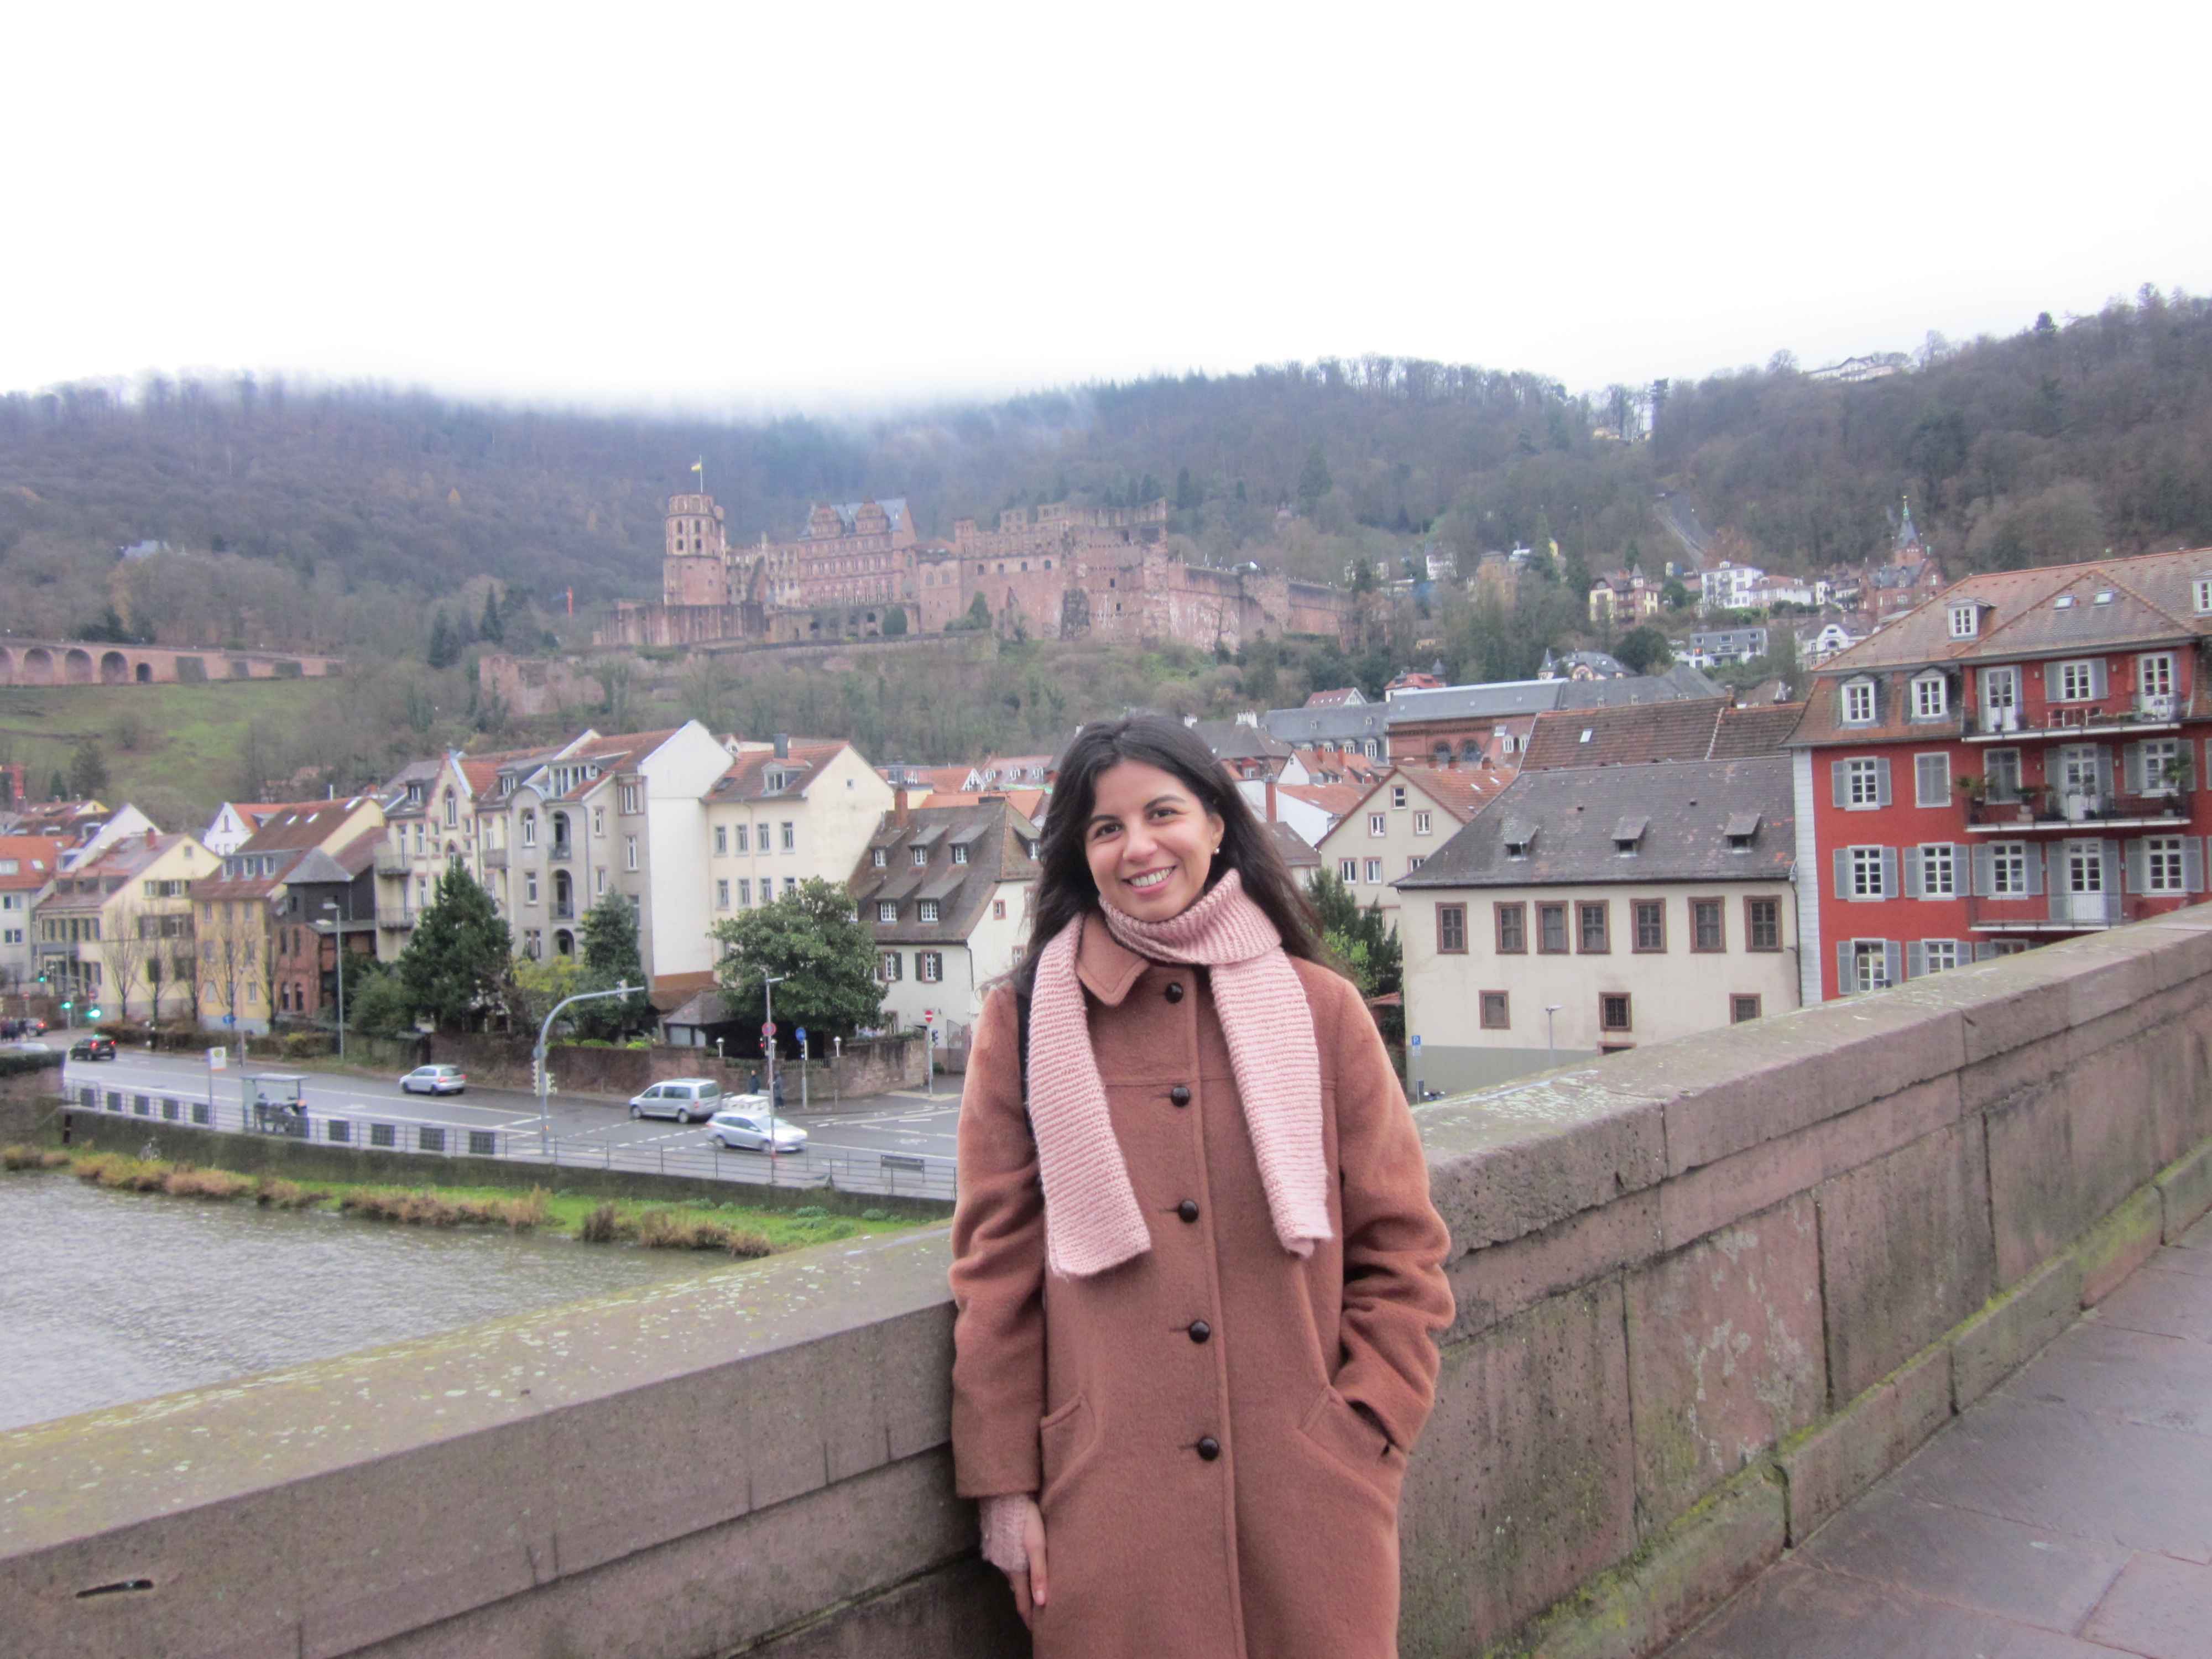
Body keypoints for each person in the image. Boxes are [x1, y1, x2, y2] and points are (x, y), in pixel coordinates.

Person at [950, 717, 1454, 1658]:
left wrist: (1367, 1429)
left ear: (1216, 824)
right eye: (1106, 828)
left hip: (1311, 1505)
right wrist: (1005, 1491)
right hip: (1109, 1511)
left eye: (1163, 814)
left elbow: (1403, 1248)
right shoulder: (1022, 1025)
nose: (1138, 847)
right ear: (1080, 854)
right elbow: (996, 1274)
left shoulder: (1322, 1009)